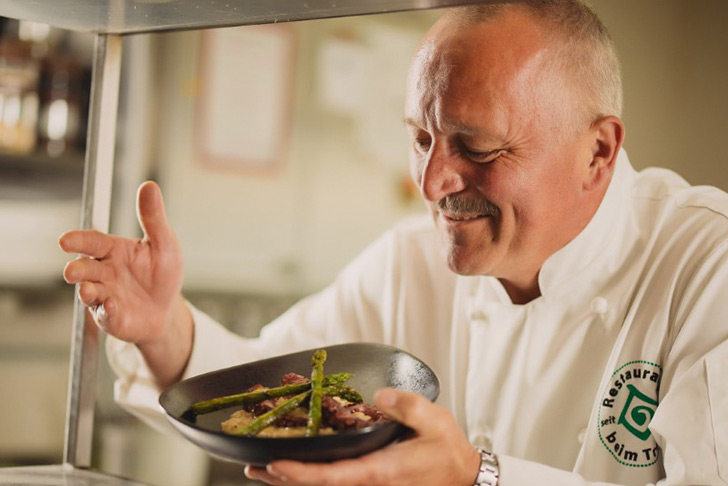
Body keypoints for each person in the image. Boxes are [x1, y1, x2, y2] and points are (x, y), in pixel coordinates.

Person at [59, 1, 728, 485]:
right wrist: (160, 327)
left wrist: (479, 479)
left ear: (597, 152)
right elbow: (263, 390)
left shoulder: (706, 269)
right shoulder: (411, 262)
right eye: (420, 138)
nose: (434, 180)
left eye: (476, 145)